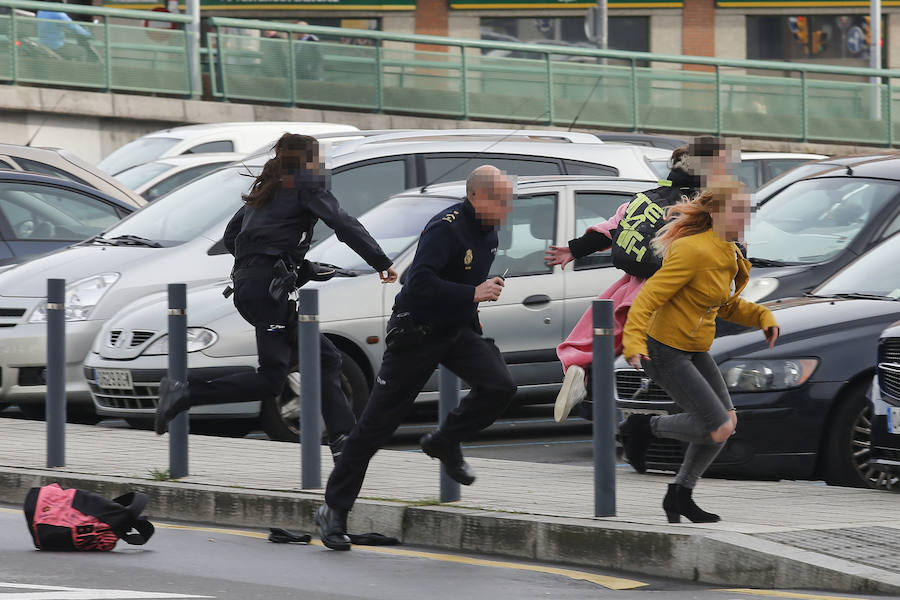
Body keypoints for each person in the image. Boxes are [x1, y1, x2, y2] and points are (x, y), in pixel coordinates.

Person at [154, 133, 398, 463]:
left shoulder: (267, 187)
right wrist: (381, 262)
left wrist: (296, 265)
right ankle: (185, 389)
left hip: (252, 288)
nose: (322, 164)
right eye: (319, 157)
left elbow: (232, 236)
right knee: (273, 378)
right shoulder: (307, 183)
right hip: (268, 291)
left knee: (320, 359)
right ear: (307, 160)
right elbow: (342, 223)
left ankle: (343, 438)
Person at [315, 165, 517, 551]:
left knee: (500, 385)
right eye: (502, 201)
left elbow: (464, 285)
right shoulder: (448, 227)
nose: (508, 210)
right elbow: (418, 282)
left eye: (511, 202)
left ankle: (444, 440)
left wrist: (472, 311)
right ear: (477, 197)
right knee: (374, 428)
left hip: (455, 331)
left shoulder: (489, 231)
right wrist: (473, 294)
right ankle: (334, 511)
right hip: (416, 333)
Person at [619, 158, 780, 524]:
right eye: (738, 211)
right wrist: (633, 342)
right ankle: (643, 427)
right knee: (717, 425)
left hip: (693, 347)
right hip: (664, 349)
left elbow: (724, 304)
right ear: (718, 213)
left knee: (727, 422)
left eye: (746, 212)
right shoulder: (693, 250)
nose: (745, 219)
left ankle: (680, 494)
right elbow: (649, 297)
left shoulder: (727, 251)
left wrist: (762, 318)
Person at [545, 140, 721, 423]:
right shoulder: (705, 208)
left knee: (602, 335)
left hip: (629, 285)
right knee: (674, 369)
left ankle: (580, 369)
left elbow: (609, 230)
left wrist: (573, 250)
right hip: (671, 293)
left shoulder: (647, 199)